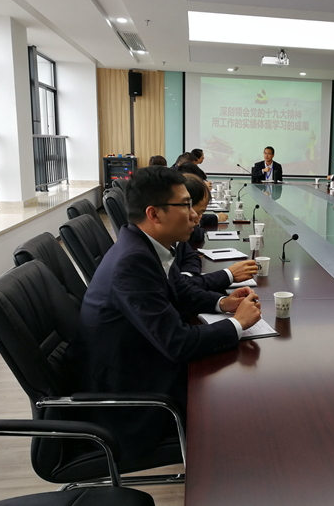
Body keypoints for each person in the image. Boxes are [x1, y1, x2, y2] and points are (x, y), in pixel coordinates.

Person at [66, 166, 261, 457]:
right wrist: (237, 324)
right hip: (131, 401)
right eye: (185, 206)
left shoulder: (143, 245)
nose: (194, 215)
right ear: (154, 214)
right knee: (246, 400)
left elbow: (180, 289)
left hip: (141, 365)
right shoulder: (132, 263)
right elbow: (177, 342)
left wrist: (223, 303)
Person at [175, 174, 258, 292]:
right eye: (198, 212)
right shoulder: (150, 252)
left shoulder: (176, 239)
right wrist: (229, 274)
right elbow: (177, 289)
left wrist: (187, 276)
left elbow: (191, 256)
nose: (198, 219)